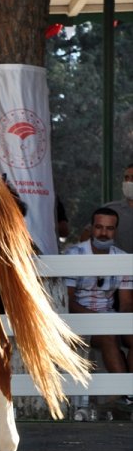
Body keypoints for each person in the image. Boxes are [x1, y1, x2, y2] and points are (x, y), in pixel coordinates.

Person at [65, 207, 133, 416]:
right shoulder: (73, 255)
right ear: (91, 228)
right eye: (99, 227)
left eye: (109, 229)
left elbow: (126, 303)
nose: (104, 233)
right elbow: (67, 301)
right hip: (79, 321)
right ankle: (124, 394)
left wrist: (121, 322)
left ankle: (128, 397)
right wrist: (99, 320)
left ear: (116, 230)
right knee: (108, 336)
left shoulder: (122, 258)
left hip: (109, 318)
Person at [100, 164, 133, 254]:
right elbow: (89, 236)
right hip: (117, 266)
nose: (129, 182)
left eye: (132, 178)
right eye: (126, 178)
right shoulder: (110, 210)